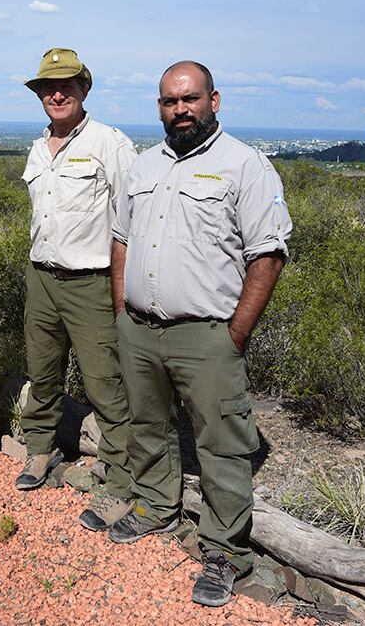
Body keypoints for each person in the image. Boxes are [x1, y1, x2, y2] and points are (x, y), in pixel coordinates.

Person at [108, 61, 292, 607]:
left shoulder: (246, 167)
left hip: (208, 335)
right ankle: (154, 505)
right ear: (159, 107)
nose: (179, 109)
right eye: (169, 101)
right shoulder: (143, 167)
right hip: (141, 329)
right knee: (148, 424)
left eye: (189, 99)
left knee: (221, 442)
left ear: (214, 100)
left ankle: (224, 550)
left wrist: (234, 334)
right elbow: (121, 239)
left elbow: (268, 255)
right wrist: (123, 309)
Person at [17, 48, 138, 532]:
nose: (57, 93)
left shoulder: (111, 143)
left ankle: (118, 473)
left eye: (66, 85)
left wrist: (121, 290)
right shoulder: (36, 147)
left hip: (91, 281)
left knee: (104, 382)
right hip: (41, 277)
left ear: (85, 89)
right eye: (48, 86)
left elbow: (131, 222)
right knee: (42, 372)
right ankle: (39, 451)